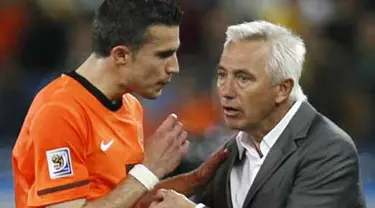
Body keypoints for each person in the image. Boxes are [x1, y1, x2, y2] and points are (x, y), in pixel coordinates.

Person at [11, 0, 229, 207]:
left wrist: (195, 180)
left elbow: (125, 196)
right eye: (163, 55)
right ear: (121, 54)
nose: (174, 67)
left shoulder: (130, 106)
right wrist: (149, 169)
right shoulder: (60, 112)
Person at [148, 20, 366, 208]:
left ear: (283, 89)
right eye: (222, 75)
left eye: (243, 78)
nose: (226, 90)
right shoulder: (228, 154)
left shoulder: (330, 151)